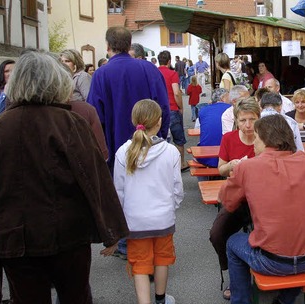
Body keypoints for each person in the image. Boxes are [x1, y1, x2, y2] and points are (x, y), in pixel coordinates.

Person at [0, 50, 128, 303]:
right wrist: (111, 230)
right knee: (76, 297)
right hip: (67, 236)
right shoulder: (70, 123)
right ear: (56, 82)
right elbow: (96, 179)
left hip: (14, 237)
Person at [220, 114, 305, 304]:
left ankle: (240, 301)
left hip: (272, 261)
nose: (253, 143)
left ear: (264, 139)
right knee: (302, 241)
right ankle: (285, 299)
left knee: (232, 242)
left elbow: (227, 201)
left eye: (255, 137)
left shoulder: (247, 167)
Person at [114, 100, 182, 304]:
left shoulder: (122, 153)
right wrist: (171, 206)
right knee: (162, 260)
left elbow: (119, 191)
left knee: (140, 264)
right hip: (163, 218)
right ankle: (161, 299)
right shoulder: (170, 152)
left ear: (134, 121)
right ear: (159, 121)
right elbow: (177, 188)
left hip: (135, 220)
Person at [87, 26, 170, 172]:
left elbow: (95, 117)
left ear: (108, 46)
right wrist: (160, 136)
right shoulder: (149, 69)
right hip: (150, 146)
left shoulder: (101, 74)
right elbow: (163, 108)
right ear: (129, 44)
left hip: (115, 149)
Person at [157, 50, 189, 172]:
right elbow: (176, 92)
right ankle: (181, 163)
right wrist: (180, 107)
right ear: (169, 61)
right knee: (178, 138)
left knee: (160, 138)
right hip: (172, 108)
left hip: (158, 110)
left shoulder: (154, 72)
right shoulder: (172, 74)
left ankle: (162, 165)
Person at [217, 99, 260, 177]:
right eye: (243, 120)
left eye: (252, 119)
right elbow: (221, 170)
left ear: (259, 119)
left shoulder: (266, 138)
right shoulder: (228, 138)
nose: (248, 125)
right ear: (236, 121)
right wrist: (230, 166)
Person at [196, 88, 231, 168]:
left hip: (205, 157)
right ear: (223, 98)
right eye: (229, 97)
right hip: (227, 157)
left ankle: (203, 180)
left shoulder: (203, 110)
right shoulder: (231, 109)